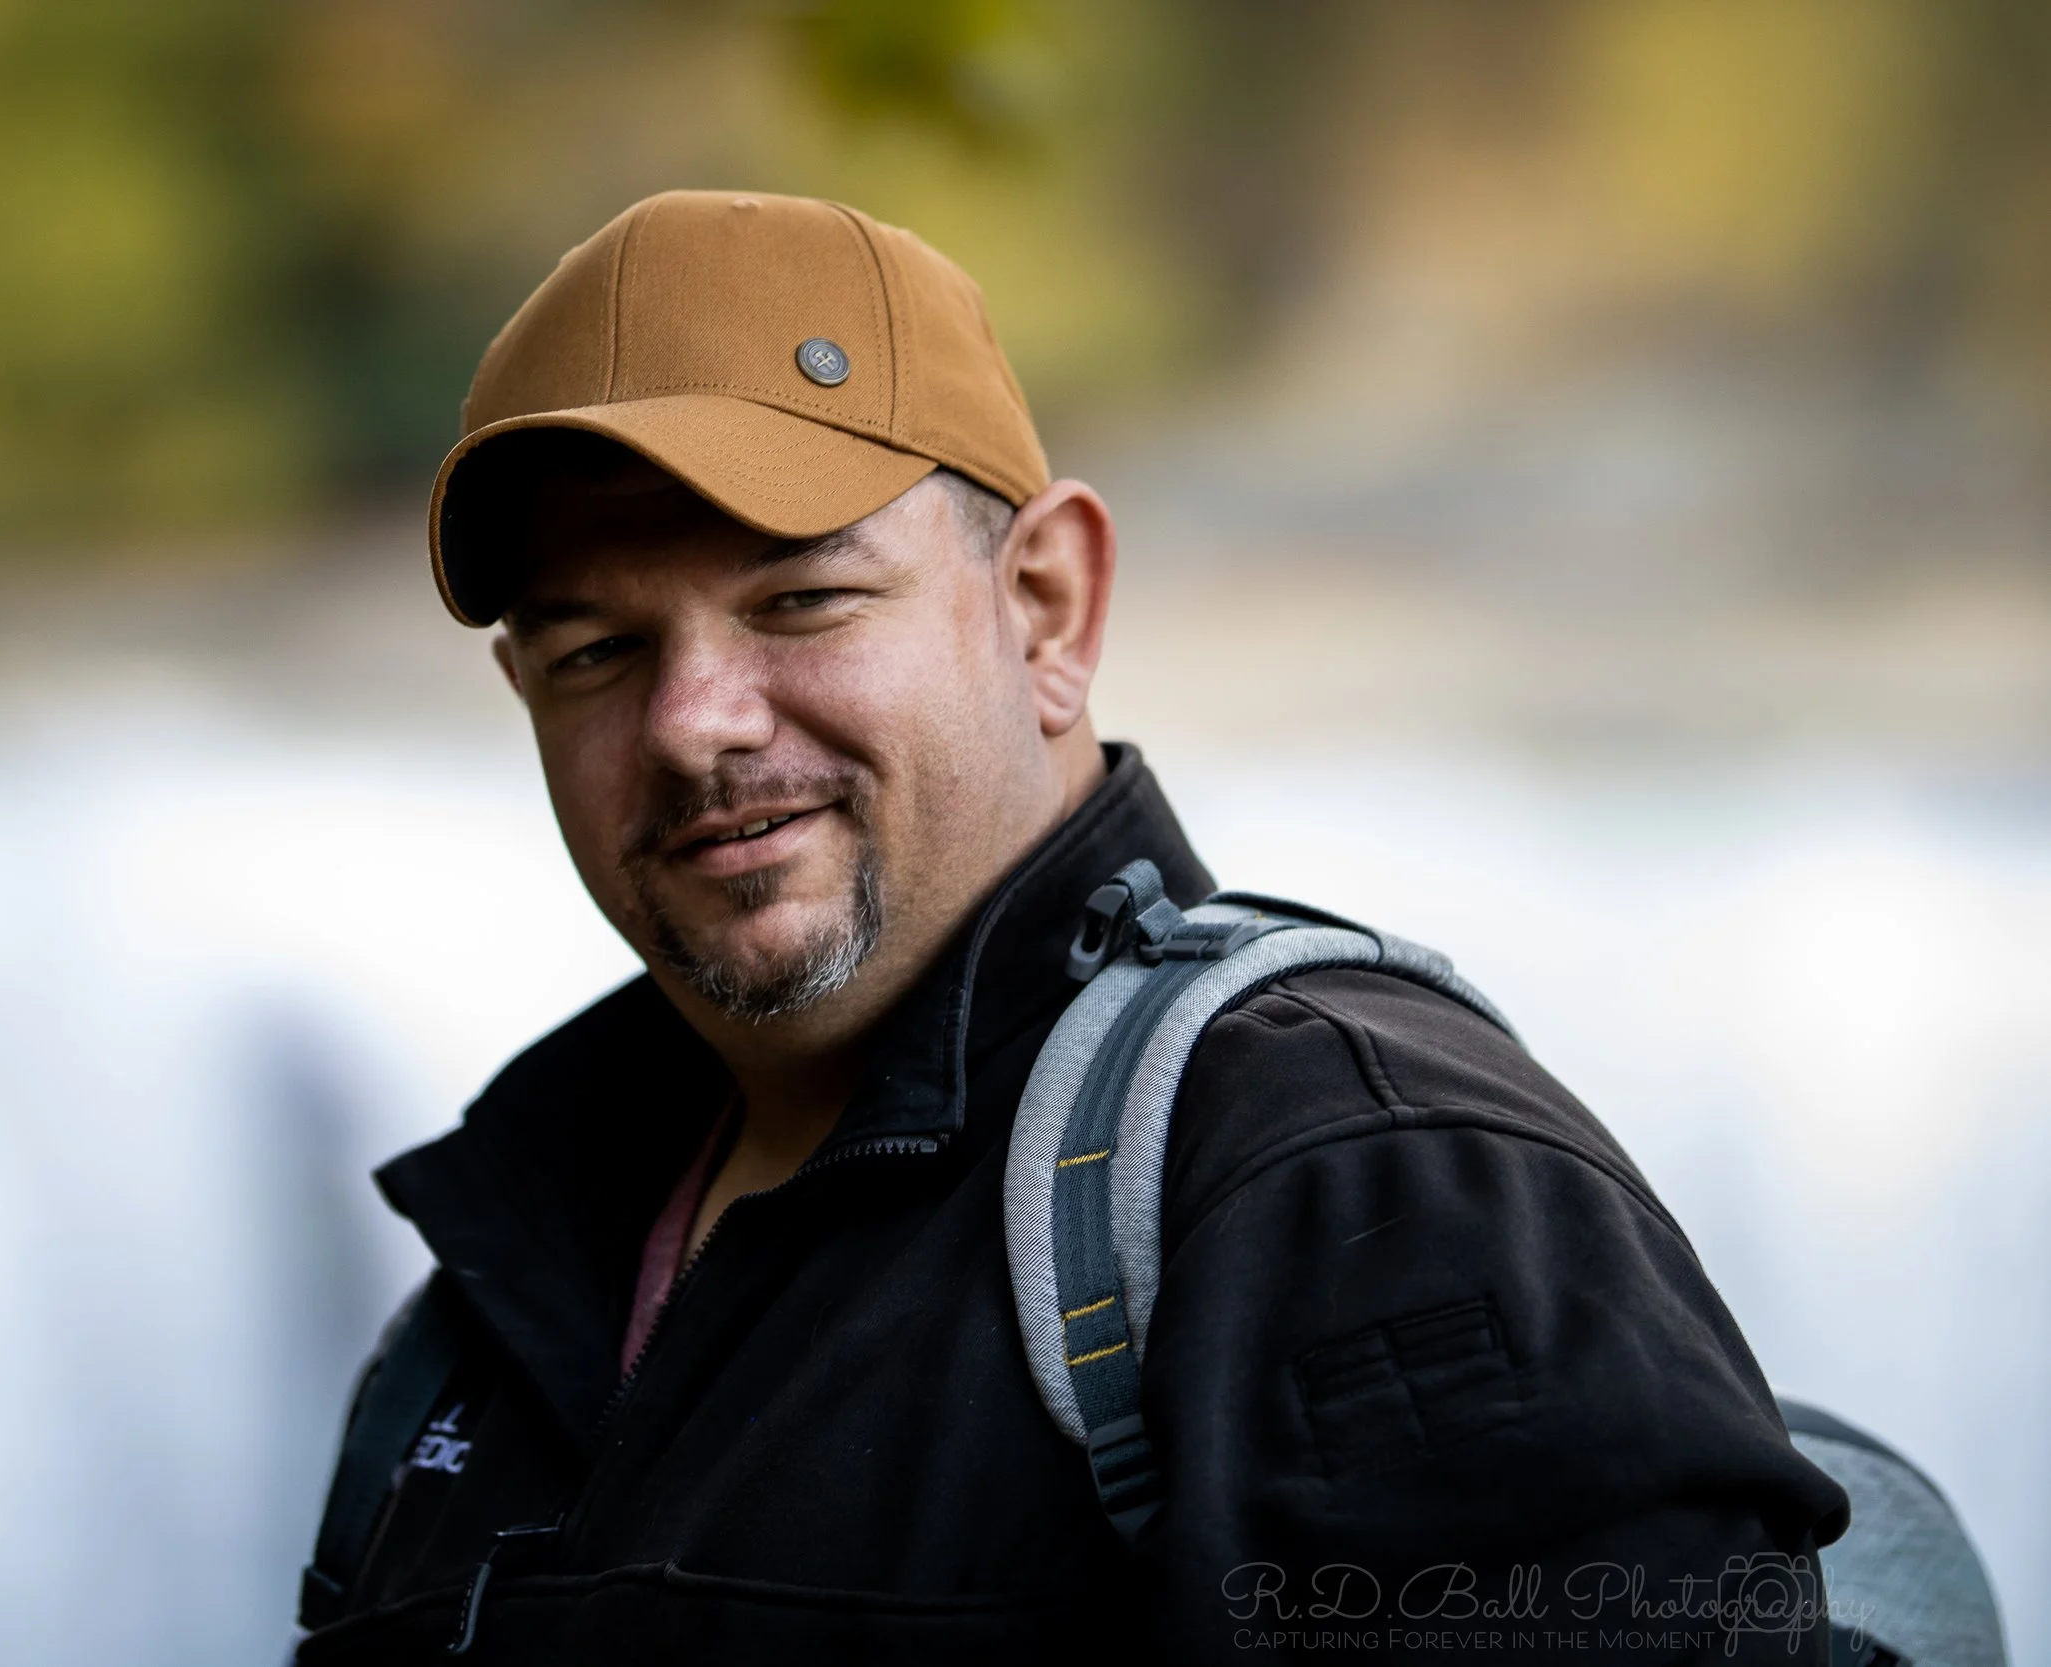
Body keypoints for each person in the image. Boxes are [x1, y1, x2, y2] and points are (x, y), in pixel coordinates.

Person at [296, 190, 1846, 1664]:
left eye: (801, 601)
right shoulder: (488, 1298)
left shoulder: (1357, 1192)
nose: (696, 721)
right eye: (595, 650)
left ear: (1046, 606)